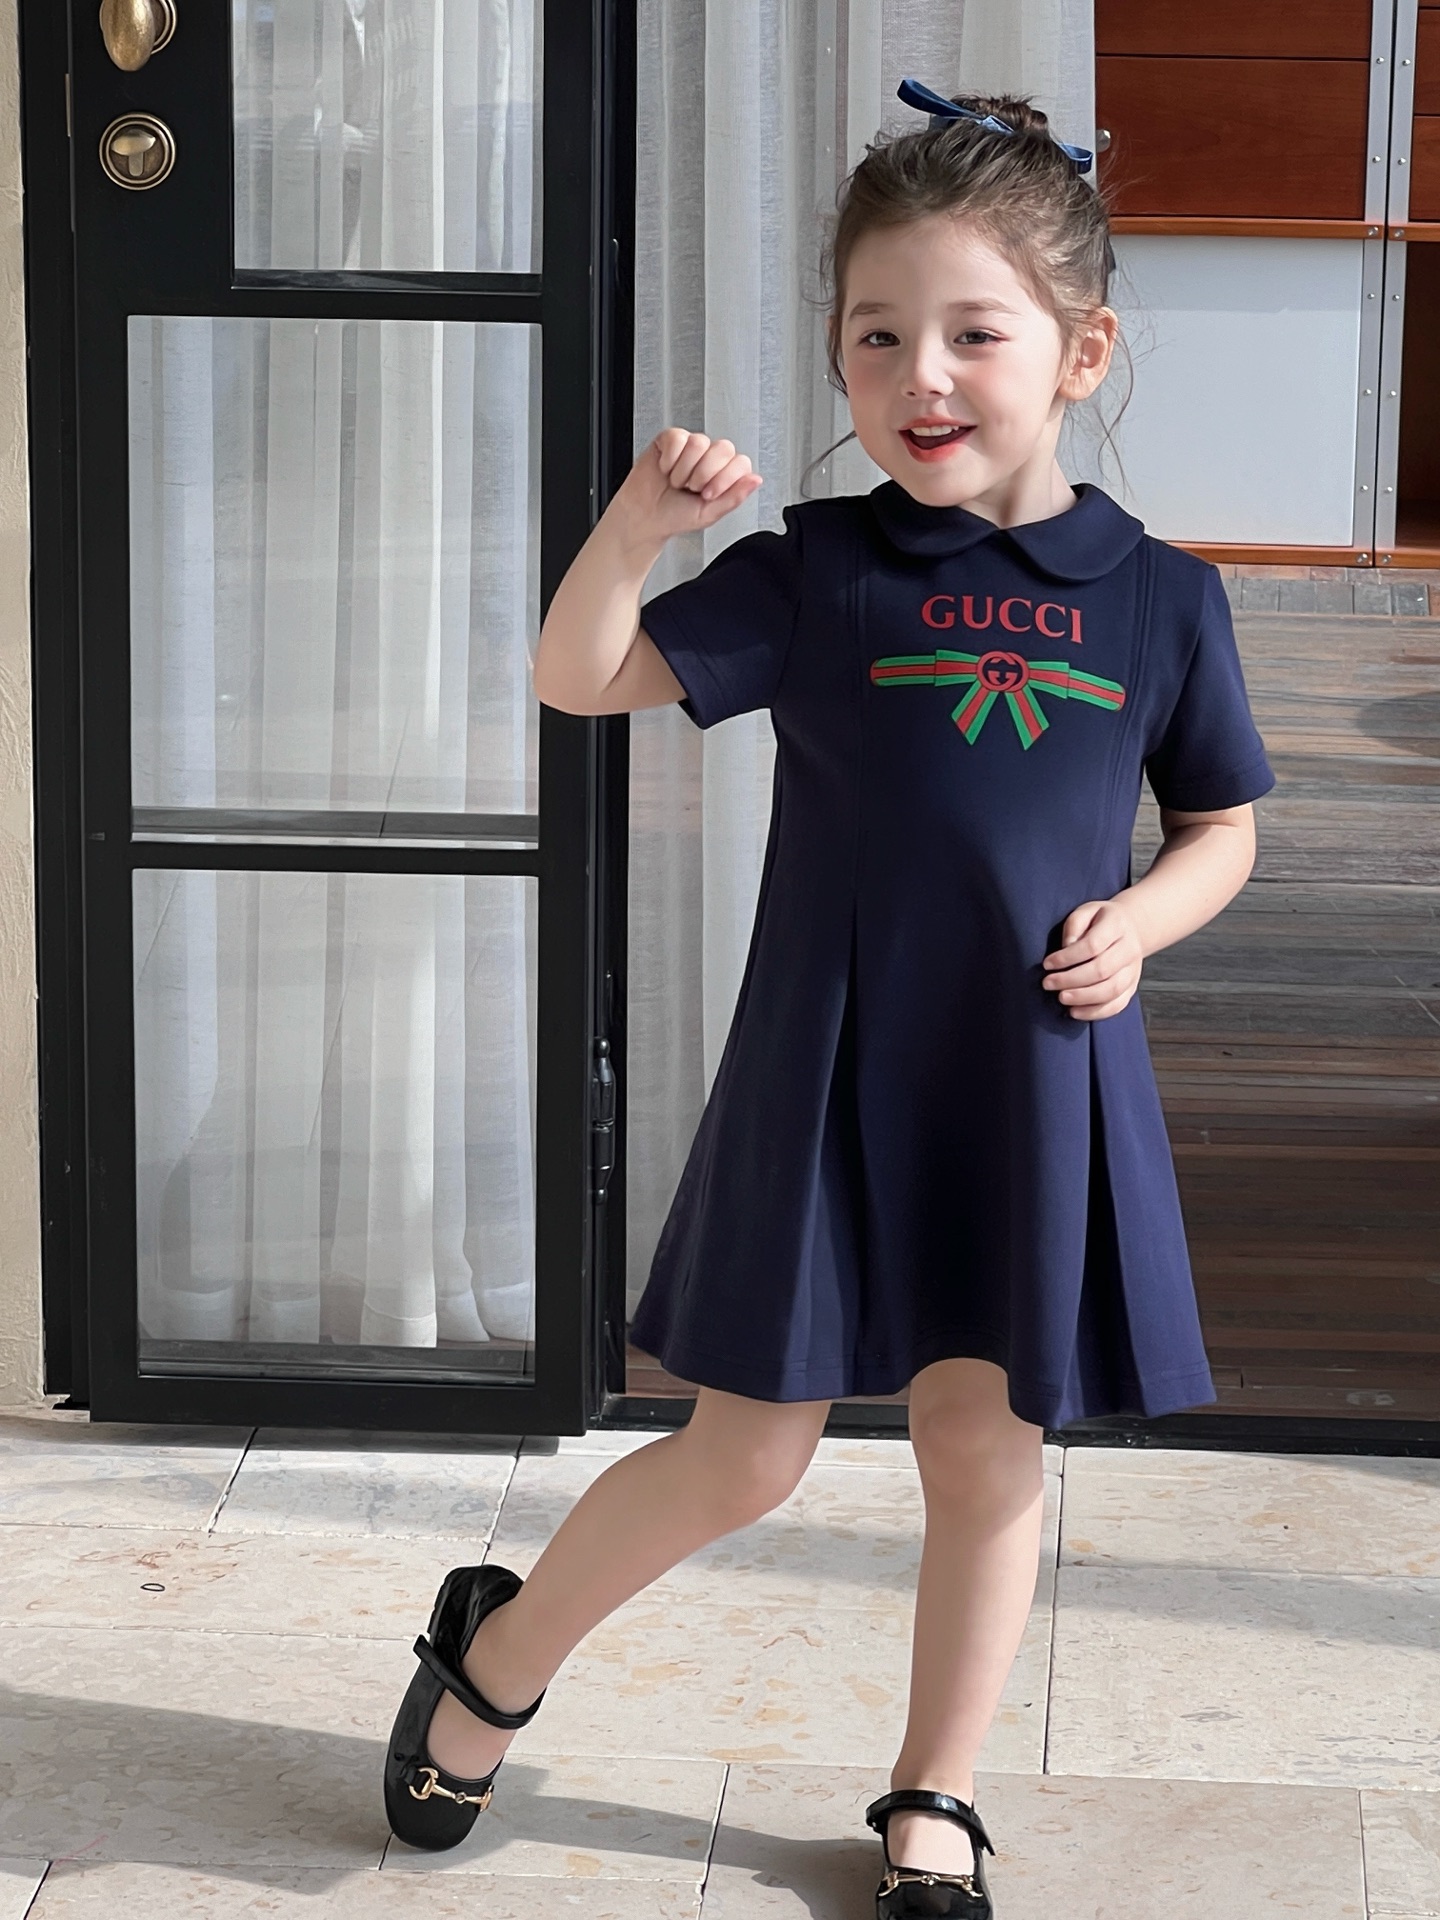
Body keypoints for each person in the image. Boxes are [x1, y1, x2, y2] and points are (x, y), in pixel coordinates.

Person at [381, 78, 1274, 1919]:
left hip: (1031, 1078)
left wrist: (1144, 923)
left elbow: (1221, 827)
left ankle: (937, 1794)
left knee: (985, 1448)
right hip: (834, 1073)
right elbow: (580, 677)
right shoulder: (819, 571)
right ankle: (493, 1654)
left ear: (1082, 352)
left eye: (972, 333)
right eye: (877, 336)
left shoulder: (1165, 601)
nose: (919, 376)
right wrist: (637, 526)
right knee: (744, 1455)